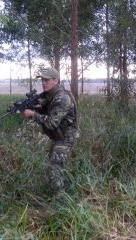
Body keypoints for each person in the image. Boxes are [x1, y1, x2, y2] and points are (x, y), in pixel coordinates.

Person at [22, 67, 78, 196]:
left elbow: (52, 123)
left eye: (47, 80)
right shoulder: (50, 96)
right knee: (52, 166)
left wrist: (33, 115)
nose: (44, 83)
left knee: (54, 169)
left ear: (56, 80)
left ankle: (62, 202)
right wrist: (39, 109)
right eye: (42, 80)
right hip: (58, 136)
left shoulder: (62, 98)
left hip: (66, 137)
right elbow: (49, 112)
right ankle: (54, 194)